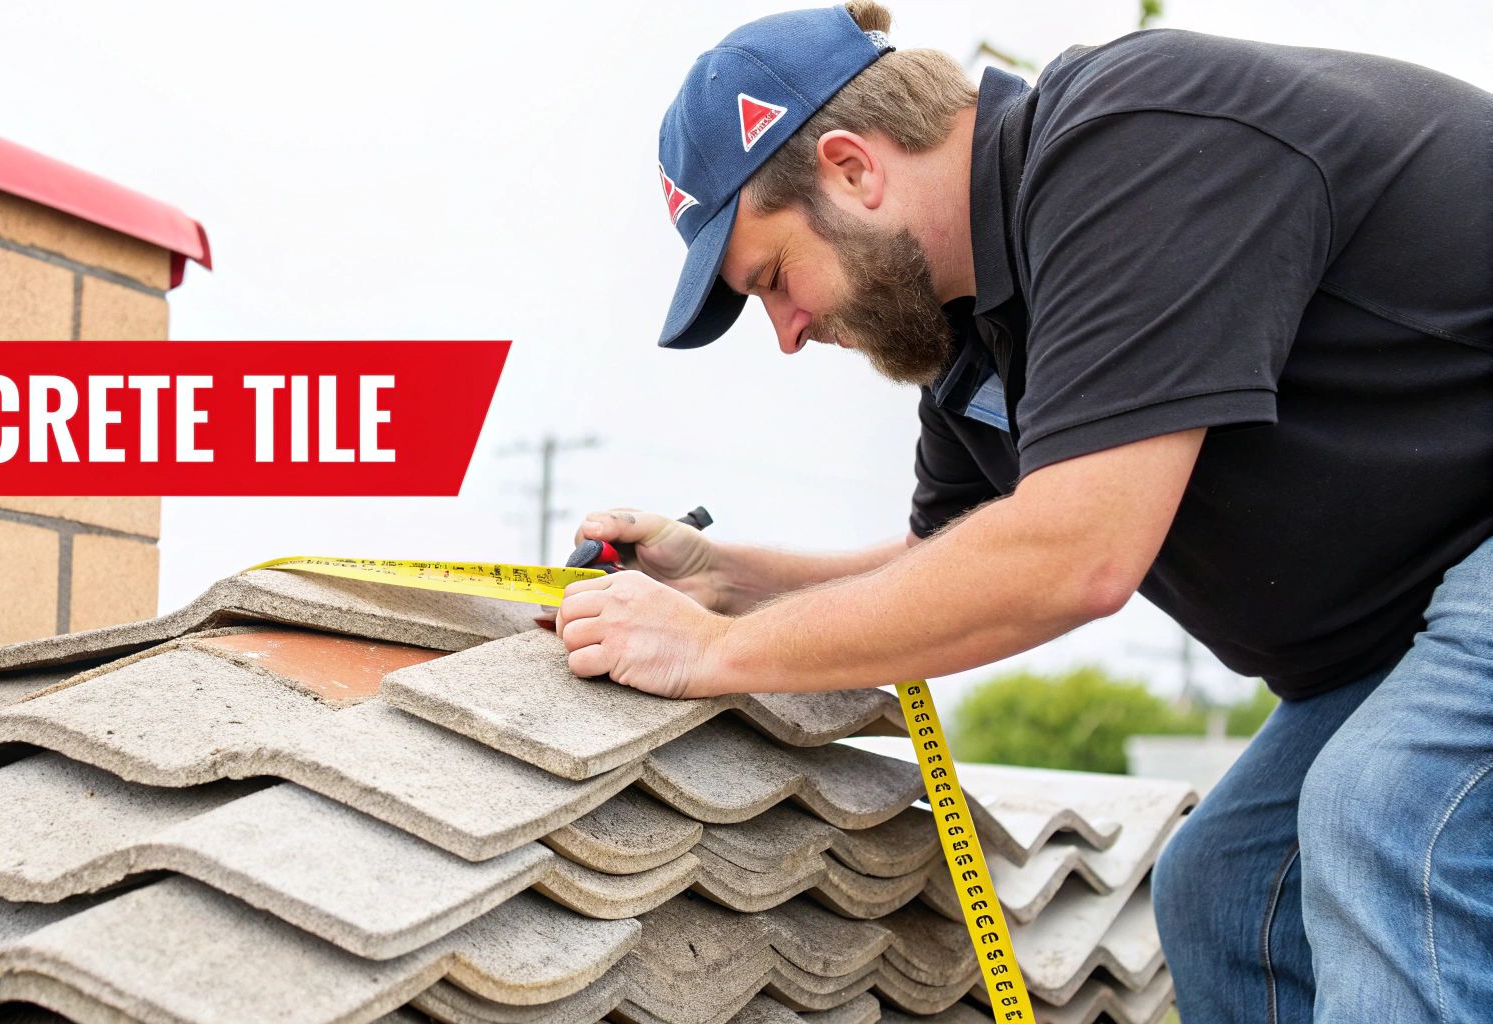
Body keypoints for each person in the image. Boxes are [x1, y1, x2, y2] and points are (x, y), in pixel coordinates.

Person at [551, 4, 1493, 1021]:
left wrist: (707, 656)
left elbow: (1071, 555)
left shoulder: (1138, 142)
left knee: (1386, 808)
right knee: (1222, 889)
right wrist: (726, 583)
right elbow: (948, 561)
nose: (785, 331)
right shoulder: (974, 337)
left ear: (851, 168)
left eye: (772, 278)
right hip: (1421, 619)